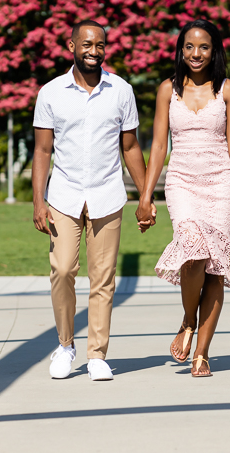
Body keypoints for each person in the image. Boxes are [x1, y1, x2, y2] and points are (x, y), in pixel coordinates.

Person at [137, 19, 230, 378]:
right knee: (191, 250)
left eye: (204, 47)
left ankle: (203, 353)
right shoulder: (168, 89)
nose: (196, 54)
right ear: (181, 50)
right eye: (190, 47)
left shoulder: (228, 89)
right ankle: (187, 320)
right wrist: (145, 195)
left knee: (215, 268)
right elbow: (159, 145)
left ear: (215, 51)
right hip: (181, 182)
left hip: (222, 184)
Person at [32, 19, 155, 381]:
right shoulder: (51, 92)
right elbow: (42, 151)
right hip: (64, 196)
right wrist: (38, 202)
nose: (93, 51)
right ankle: (65, 345)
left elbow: (130, 147)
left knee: (103, 278)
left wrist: (145, 196)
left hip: (107, 195)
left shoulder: (121, 91)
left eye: (99, 45)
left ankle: (97, 354)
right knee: (64, 269)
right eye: (86, 44)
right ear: (71, 46)